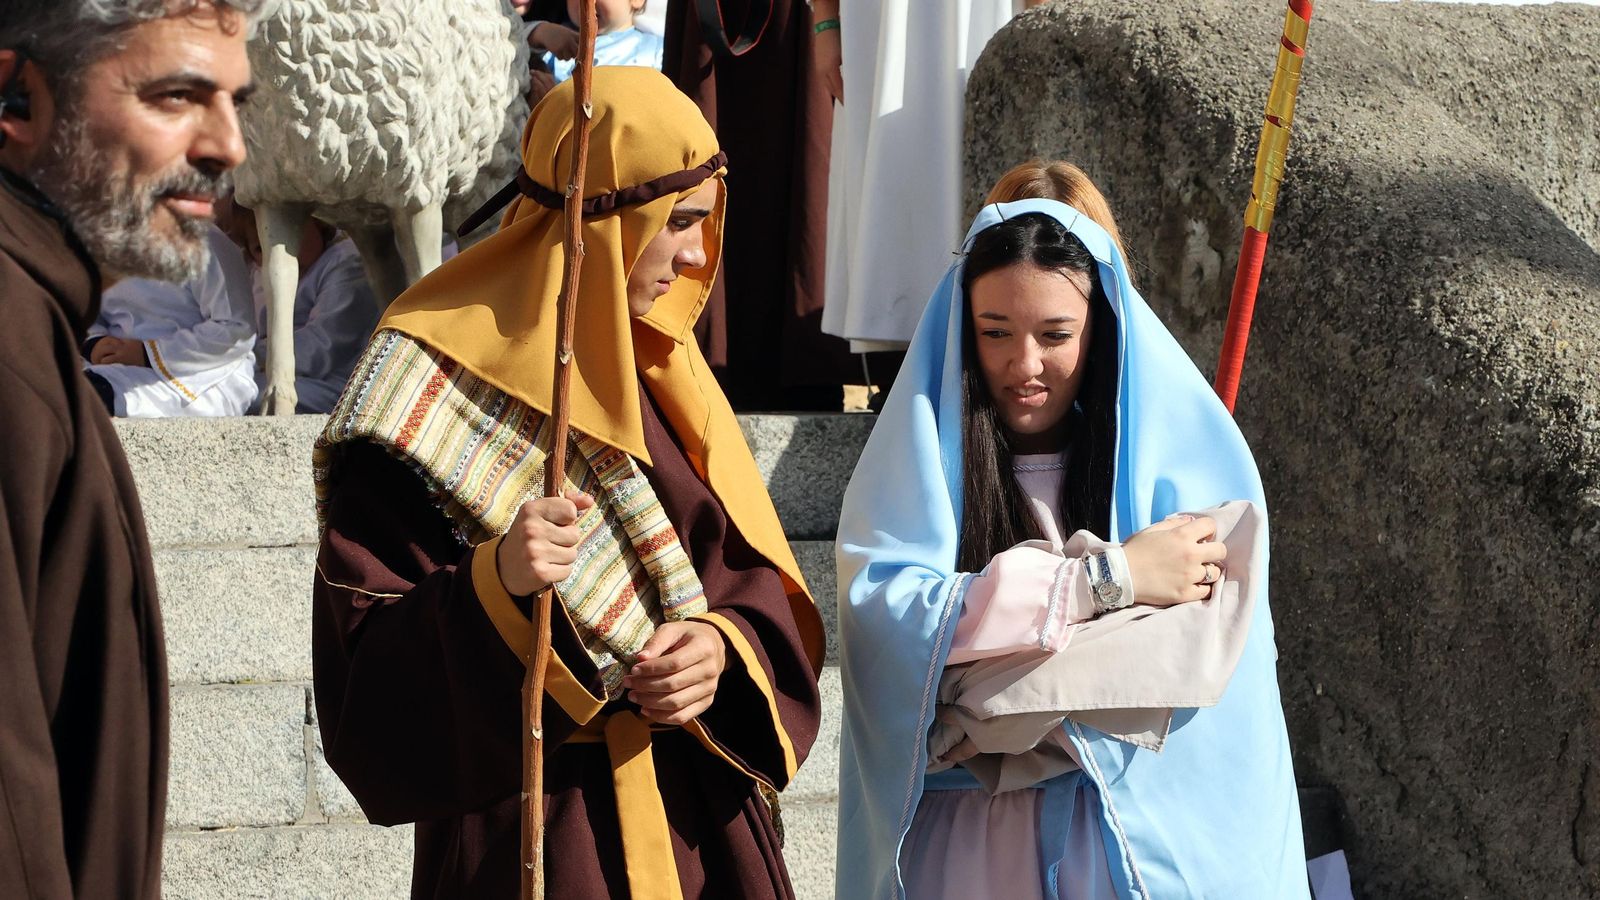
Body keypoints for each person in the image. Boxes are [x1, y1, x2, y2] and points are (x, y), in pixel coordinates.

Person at [312, 68, 824, 898]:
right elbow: (365, 672)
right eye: (678, 222)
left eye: (703, 221)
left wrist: (719, 649)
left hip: (700, 830)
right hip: (533, 832)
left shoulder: (665, 368)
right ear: (607, 219)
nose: (699, 254)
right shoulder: (421, 391)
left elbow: (744, 574)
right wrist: (495, 584)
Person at [834, 183, 1308, 895]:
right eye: (995, 332)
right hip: (964, 841)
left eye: (1055, 335)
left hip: (1122, 837)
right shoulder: (917, 472)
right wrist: (1107, 583)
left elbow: (1202, 666)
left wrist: (987, 689)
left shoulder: (1174, 469)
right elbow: (888, 622)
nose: (1025, 365)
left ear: (1099, 330)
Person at [0, 0, 260, 896]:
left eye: (236, 104)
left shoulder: (38, 332)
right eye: (177, 96)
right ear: (18, 97)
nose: (228, 147)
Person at [819, 0, 1048, 356]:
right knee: (891, 173)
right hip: (880, 19)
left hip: (983, 14)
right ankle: (904, 356)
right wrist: (825, 20)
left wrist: (1040, 19)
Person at [660, 0, 857, 410]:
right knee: (706, 148)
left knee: (808, 164)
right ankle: (701, 363)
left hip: (803, 20)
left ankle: (804, 368)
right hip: (717, 25)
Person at [84, 224, 259, 417]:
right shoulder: (98, 241)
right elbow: (83, 310)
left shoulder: (203, 241)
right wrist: (95, 343)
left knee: (88, 395)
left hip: (201, 376)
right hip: (111, 365)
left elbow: (236, 330)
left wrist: (147, 353)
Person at [223, 202, 380, 414]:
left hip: (339, 386)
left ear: (317, 222)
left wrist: (250, 356)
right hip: (277, 376)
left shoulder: (345, 262)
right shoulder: (264, 276)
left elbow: (323, 345)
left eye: (288, 239)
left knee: (235, 395)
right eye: (260, 248)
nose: (275, 254)